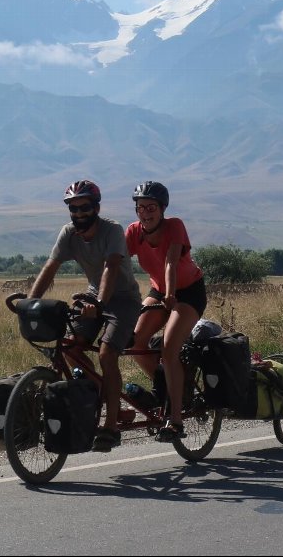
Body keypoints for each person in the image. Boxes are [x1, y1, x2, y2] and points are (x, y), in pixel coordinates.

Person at [26, 179, 142, 452]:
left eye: (84, 208)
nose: (78, 214)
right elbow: (51, 266)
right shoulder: (68, 233)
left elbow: (111, 268)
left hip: (123, 298)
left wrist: (101, 304)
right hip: (93, 296)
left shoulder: (111, 229)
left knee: (106, 355)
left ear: (96, 207)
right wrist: (30, 302)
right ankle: (97, 394)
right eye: (73, 209)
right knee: (70, 348)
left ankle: (111, 426)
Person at [125, 181, 208, 442]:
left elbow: (170, 262)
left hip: (188, 291)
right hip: (159, 290)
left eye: (151, 207)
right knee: (135, 343)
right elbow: (117, 265)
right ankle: (169, 388)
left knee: (169, 347)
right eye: (140, 208)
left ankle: (176, 419)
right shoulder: (134, 231)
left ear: (162, 209)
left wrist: (172, 295)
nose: (145, 213)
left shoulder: (175, 226)